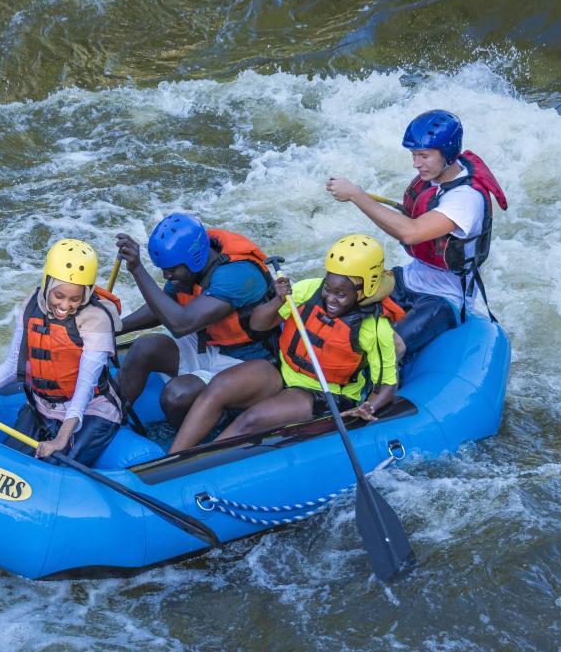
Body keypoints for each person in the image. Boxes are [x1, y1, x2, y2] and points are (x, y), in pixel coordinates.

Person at [168, 235, 402, 452]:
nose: (330, 299)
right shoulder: (309, 290)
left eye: (341, 295)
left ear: (365, 288)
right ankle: (172, 460)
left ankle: (196, 471)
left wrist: (369, 407)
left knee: (251, 420)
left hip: (324, 392)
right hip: (283, 370)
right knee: (219, 387)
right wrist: (278, 300)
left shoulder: (375, 328)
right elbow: (259, 324)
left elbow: (386, 388)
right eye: (329, 289)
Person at [327, 109, 507, 359]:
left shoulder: (466, 199)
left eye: (423, 155)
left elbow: (411, 233)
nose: (415, 163)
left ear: (448, 153)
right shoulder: (439, 174)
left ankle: (373, 394)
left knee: (390, 346)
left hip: (445, 297)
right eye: (413, 155)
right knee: (343, 299)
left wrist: (357, 196)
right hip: (411, 277)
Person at [0, 239, 123, 466]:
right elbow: (14, 365)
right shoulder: (32, 306)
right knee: (3, 464)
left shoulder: (96, 319)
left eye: (75, 299)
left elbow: (84, 387)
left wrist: (61, 439)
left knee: (56, 464)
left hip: (93, 410)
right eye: (59, 296)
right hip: (43, 408)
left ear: (88, 292)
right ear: (47, 284)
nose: (65, 306)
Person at [113, 213, 276, 427]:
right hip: (207, 344)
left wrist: (137, 270)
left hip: (246, 362)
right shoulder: (191, 265)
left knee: (177, 394)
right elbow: (163, 305)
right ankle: (111, 417)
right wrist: (114, 327)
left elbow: (181, 325)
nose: (166, 276)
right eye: (163, 269)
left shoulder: (237, 275)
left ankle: (211, 429)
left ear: (194, 258)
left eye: (171, 270)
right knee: (144, 346)